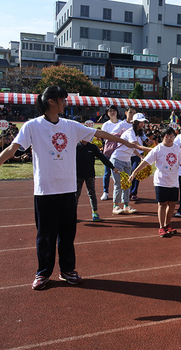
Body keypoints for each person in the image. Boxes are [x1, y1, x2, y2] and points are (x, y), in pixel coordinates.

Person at [0, 85, 144, 290]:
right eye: (63, 99)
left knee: (67, 234)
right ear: (52, 101)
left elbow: (100, 134)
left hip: (68, 189)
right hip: (45, 190)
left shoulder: (71, 126)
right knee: (45, 235)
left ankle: (67, 270)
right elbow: (11, 149)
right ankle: (43, 273)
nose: (65, 102)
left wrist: (127, 142)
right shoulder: (32, 126)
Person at [131, 126, 181, 237]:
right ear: (162, 137)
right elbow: (145, 162)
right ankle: (161, 227)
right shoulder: (158, 149)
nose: (170, 138)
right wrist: (134, 172)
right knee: (162, 204)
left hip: (174, 181)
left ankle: (167, 224)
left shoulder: (176, 148)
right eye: (167, 136)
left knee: (172, 203)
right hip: (161, 181)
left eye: (172, 136)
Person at [110, 113, 153, 215]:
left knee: (128, 183)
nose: (142, 124)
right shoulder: (130, 132)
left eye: (143, 122)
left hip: (127, 161)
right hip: (117, 160)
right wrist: (154, 150)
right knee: (118, 183)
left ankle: (126, 205)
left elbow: (133, 148)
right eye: (140, 122)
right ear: (134, 123)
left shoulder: (137, 134)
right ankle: (115, 206)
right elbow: (137, 146)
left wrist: (140, 156)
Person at [76, 139, 119, 222]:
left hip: (90, 175)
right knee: (76, 195)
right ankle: (73, 214)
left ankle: (95, 212)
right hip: (78, 176)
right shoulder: (75, 147)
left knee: (92, 194)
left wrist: (112, 167)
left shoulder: (93, 147)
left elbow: (102, 158)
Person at [100, 105, 121, 201]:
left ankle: (121, 192)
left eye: (114, 110)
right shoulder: (106, 125)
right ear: (107, 113)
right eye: (110, 111)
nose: (112, 112)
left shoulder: (121, 123)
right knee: (107, 172)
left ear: (117, 112)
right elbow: (103, 138)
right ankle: (105, 192)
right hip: (108, 151)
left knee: (120, 172)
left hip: (120, 151)